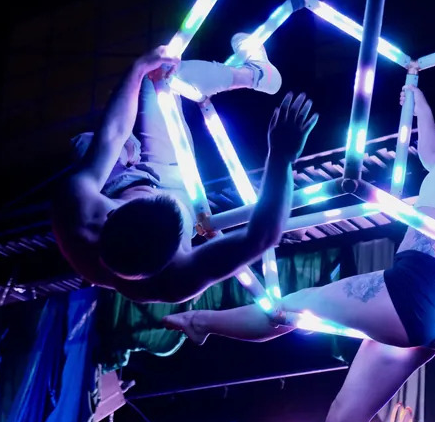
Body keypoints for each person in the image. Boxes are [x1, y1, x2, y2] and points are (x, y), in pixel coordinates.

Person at [162, 0, 435, 422]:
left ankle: (200, 323)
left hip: (416, 286)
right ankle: (200, 325)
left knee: (286, 309)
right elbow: (428, 150)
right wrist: (419, 101)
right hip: (422, 304)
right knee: (343, 418)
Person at [51, 33, 319, 304]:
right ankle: (259, 74)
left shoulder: (77, 211)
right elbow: (261, 237)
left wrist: (139, 67)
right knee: (168, 79)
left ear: (109, 216)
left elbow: (113, 134)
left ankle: (254, 76)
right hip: (170, 174)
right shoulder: (178, 281)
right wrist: (281, 157)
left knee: (91, 139)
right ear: (175, 250)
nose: (150, 194)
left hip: (125, 180)